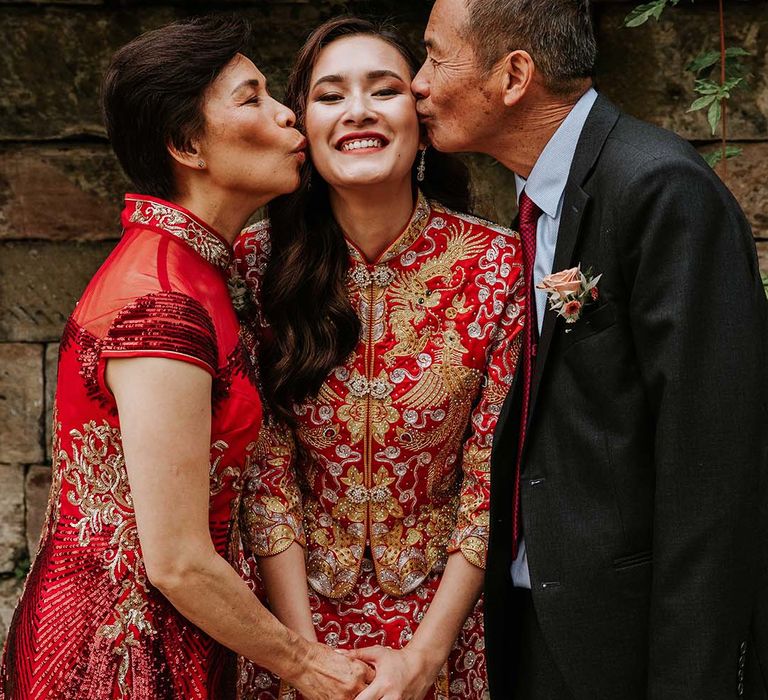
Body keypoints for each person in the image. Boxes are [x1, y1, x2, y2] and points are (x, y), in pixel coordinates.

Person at [0, 16, 373, 700]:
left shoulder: (198, 271)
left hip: (166, 639)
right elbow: (175, 560)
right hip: (119, 659)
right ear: (185, 145)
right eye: (251, 96)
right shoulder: (161, 305)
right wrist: (305, 664)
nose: (286, 113)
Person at [411, 0, 768, 698]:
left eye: (433, 55)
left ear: (514, 75)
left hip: (629, 648)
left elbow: (713, 470)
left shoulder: (659, 189)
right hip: (543, 626)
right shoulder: (539, 196)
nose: (418, 82)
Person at [232, 16, 526, 700]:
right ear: (302, 123)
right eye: (331, 95)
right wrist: (303, 661)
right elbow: (266, 474)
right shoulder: (255, 264)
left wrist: (426, 656)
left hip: (446, 624)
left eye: (384, 90)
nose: (358, 111)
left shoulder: (497, 265)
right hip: (290, 621)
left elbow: (491, 479)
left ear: (421, 116)